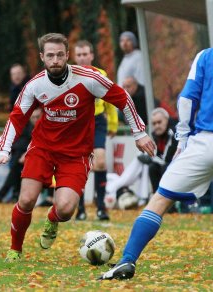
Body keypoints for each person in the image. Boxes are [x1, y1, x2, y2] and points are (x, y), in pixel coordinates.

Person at [100, 7, 213, 281]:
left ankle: (127, 261)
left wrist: (182, 137)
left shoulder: (207, 56)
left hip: (206, 140)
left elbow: (186, 100)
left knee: (160, 199)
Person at [0, 33, 156, 262]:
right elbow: (17, 117)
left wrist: (139, 133)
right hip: (43, 149)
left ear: (67, 55)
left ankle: (53, 219)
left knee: (65, 209)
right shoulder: (34, 85)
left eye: (59, 55)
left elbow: (122, 97)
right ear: (42, 57)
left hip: (76, 154)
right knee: (26, 200)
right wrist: (3, 150)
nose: (55, 60)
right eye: (50, 56)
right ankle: (15, 249)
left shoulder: (88, 78)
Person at [72, 40, 118, 221]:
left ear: (91, 56)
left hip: (97, 121)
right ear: (75, 57)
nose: (83, 58)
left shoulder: (101, 74)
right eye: (79, 55)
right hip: (77, 122)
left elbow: (111, 99)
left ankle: (101, 208)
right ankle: (80, 208)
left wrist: (113, 123)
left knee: (99, 162)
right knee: (80, 164)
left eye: (86, 54)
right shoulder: (70, 75)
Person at [106, 108, 178, 206]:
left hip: (179, 165)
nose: (157, 126)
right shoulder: (156, 134)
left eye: (159, 122)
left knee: (160, 167)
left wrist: (150, 158)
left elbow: (166, 159)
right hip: (167, 164)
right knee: (150, 166)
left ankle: (168, 202)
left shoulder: (172, 132)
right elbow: (158, 156)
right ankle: (153, 199)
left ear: (166, 120)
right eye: (154, 123)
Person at [0, 64, 33, 203]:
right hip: (19, 134)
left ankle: (3, 194)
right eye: (13, 74)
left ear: (24, 73)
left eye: (19, 73)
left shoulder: (29, 87)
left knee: (15, 165)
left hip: (28, 134)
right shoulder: (14, 89)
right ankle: (14, 193)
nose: (16, 76)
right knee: (16, 166)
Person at [0, 108, 41, 203]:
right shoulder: (26, 125)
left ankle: (4, 194)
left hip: (27, 153)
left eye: (37, 117)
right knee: (16, 171)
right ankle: (13, 194)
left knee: (15, 171)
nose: (35, 119)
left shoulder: (39, 127)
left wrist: (26, 153)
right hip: (19, 152)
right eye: (33, 117)